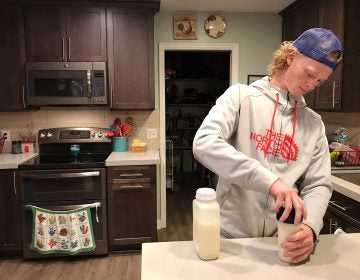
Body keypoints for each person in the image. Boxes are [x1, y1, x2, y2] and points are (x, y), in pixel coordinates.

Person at [192, 28, 343, 264]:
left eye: (320, 81)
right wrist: (271, 182)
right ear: (291, 56)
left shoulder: (314, 124)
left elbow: (319, 184)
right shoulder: (241, 97)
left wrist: (310, 226)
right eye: (309, 74)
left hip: (280, 241)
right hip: (229, 237)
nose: (312, 84)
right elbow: (204, 143)